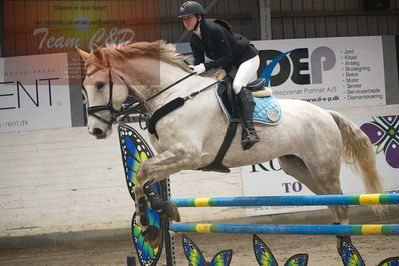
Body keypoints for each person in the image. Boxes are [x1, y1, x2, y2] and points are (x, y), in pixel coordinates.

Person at [178, 1, 260, 150]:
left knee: (237, 85)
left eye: (189, 18)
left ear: (199, 17)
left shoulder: (213, 29)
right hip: (230, 64)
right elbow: (199, 65)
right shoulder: (194, 39)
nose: (186, 22)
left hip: (247, 58)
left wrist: (205, 66)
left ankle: (250, 131)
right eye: (183, 19)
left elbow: (227, 56)